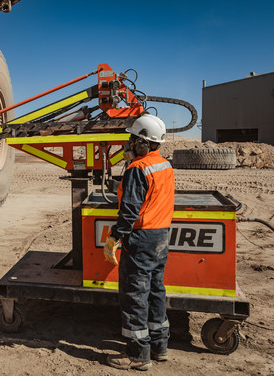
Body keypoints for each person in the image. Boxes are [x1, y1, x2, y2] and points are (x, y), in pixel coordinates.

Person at [104, 114, 175, 371]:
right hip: (160, 237)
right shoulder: (164, 165)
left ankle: (137, 355)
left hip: (142, 238)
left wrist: (115, 237)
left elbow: (130, 211)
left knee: (135, 294)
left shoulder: (137, 169)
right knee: (156, 290)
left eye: (133, 140)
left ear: (143, 144)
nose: (129, 144)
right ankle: (159, 347)